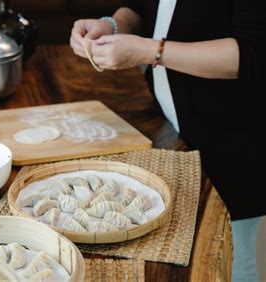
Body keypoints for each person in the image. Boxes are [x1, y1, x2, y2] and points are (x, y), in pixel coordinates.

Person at [70, 0, 265, 281]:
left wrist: (149, 51)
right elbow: (141, 6)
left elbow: (252, 54)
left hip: (233, 141)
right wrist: (112, 25)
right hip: (176, 126)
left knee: (228, 255)